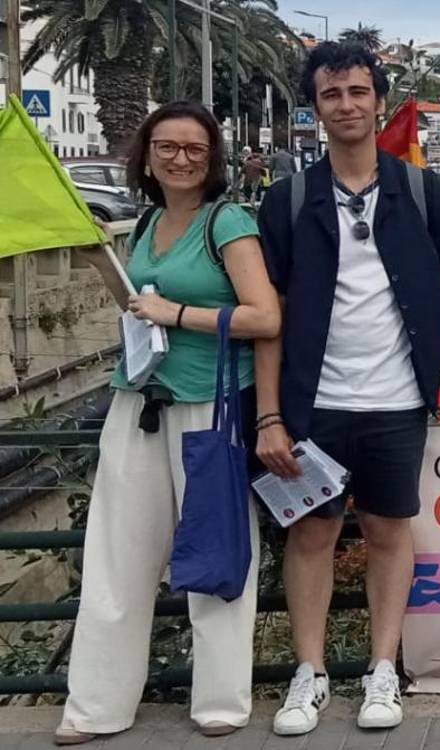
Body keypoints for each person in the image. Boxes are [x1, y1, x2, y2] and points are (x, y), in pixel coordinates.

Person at [255, 42, 440, 735]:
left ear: (377, 99)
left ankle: (383, 669)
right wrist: (270, 415)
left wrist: (408, 349)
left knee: (388, 531)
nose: (346, 105)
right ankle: (310, 673)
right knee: (311, 534)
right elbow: (271, 318)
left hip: (394, 404)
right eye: (331, 95)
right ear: (314, 107)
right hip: (312, 404)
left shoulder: (419, 190)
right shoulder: (288, 200)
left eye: (357, 91)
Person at [55, 101, 282, 745]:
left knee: (215, 549)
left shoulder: (228, 222)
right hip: (138, 403)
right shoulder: (148, 219)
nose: (180, 159)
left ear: (213, 158)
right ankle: (95, 706)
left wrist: (174, 312)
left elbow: (266, 318)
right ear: (146, 156)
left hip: (210, 408)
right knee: (115, 555)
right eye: (166, 147)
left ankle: (221, 700)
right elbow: (141, 308)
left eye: (194, 148)